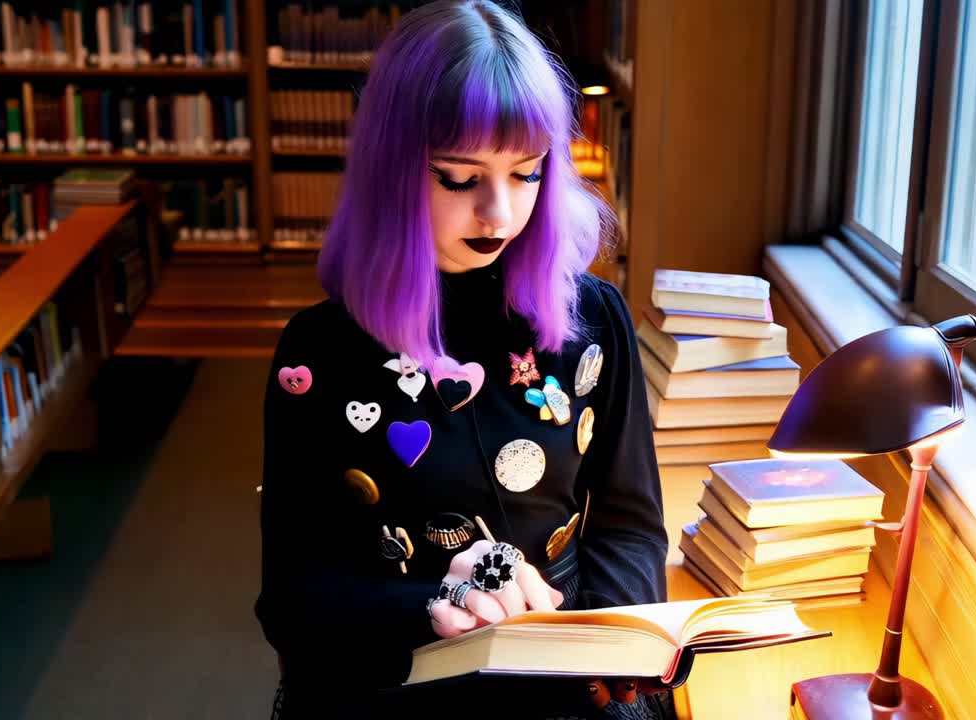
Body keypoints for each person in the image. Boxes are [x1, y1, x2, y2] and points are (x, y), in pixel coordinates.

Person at [255, 2, 671, 717]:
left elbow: (630, 527)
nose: (499, 213)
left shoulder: (593, 319)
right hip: (395, 679)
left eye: (527, 173)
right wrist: (433, 604)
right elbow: (291, 600)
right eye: (458, 177)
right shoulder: (319, 352)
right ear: (392, 173)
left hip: (564, 685)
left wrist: (604, 647)